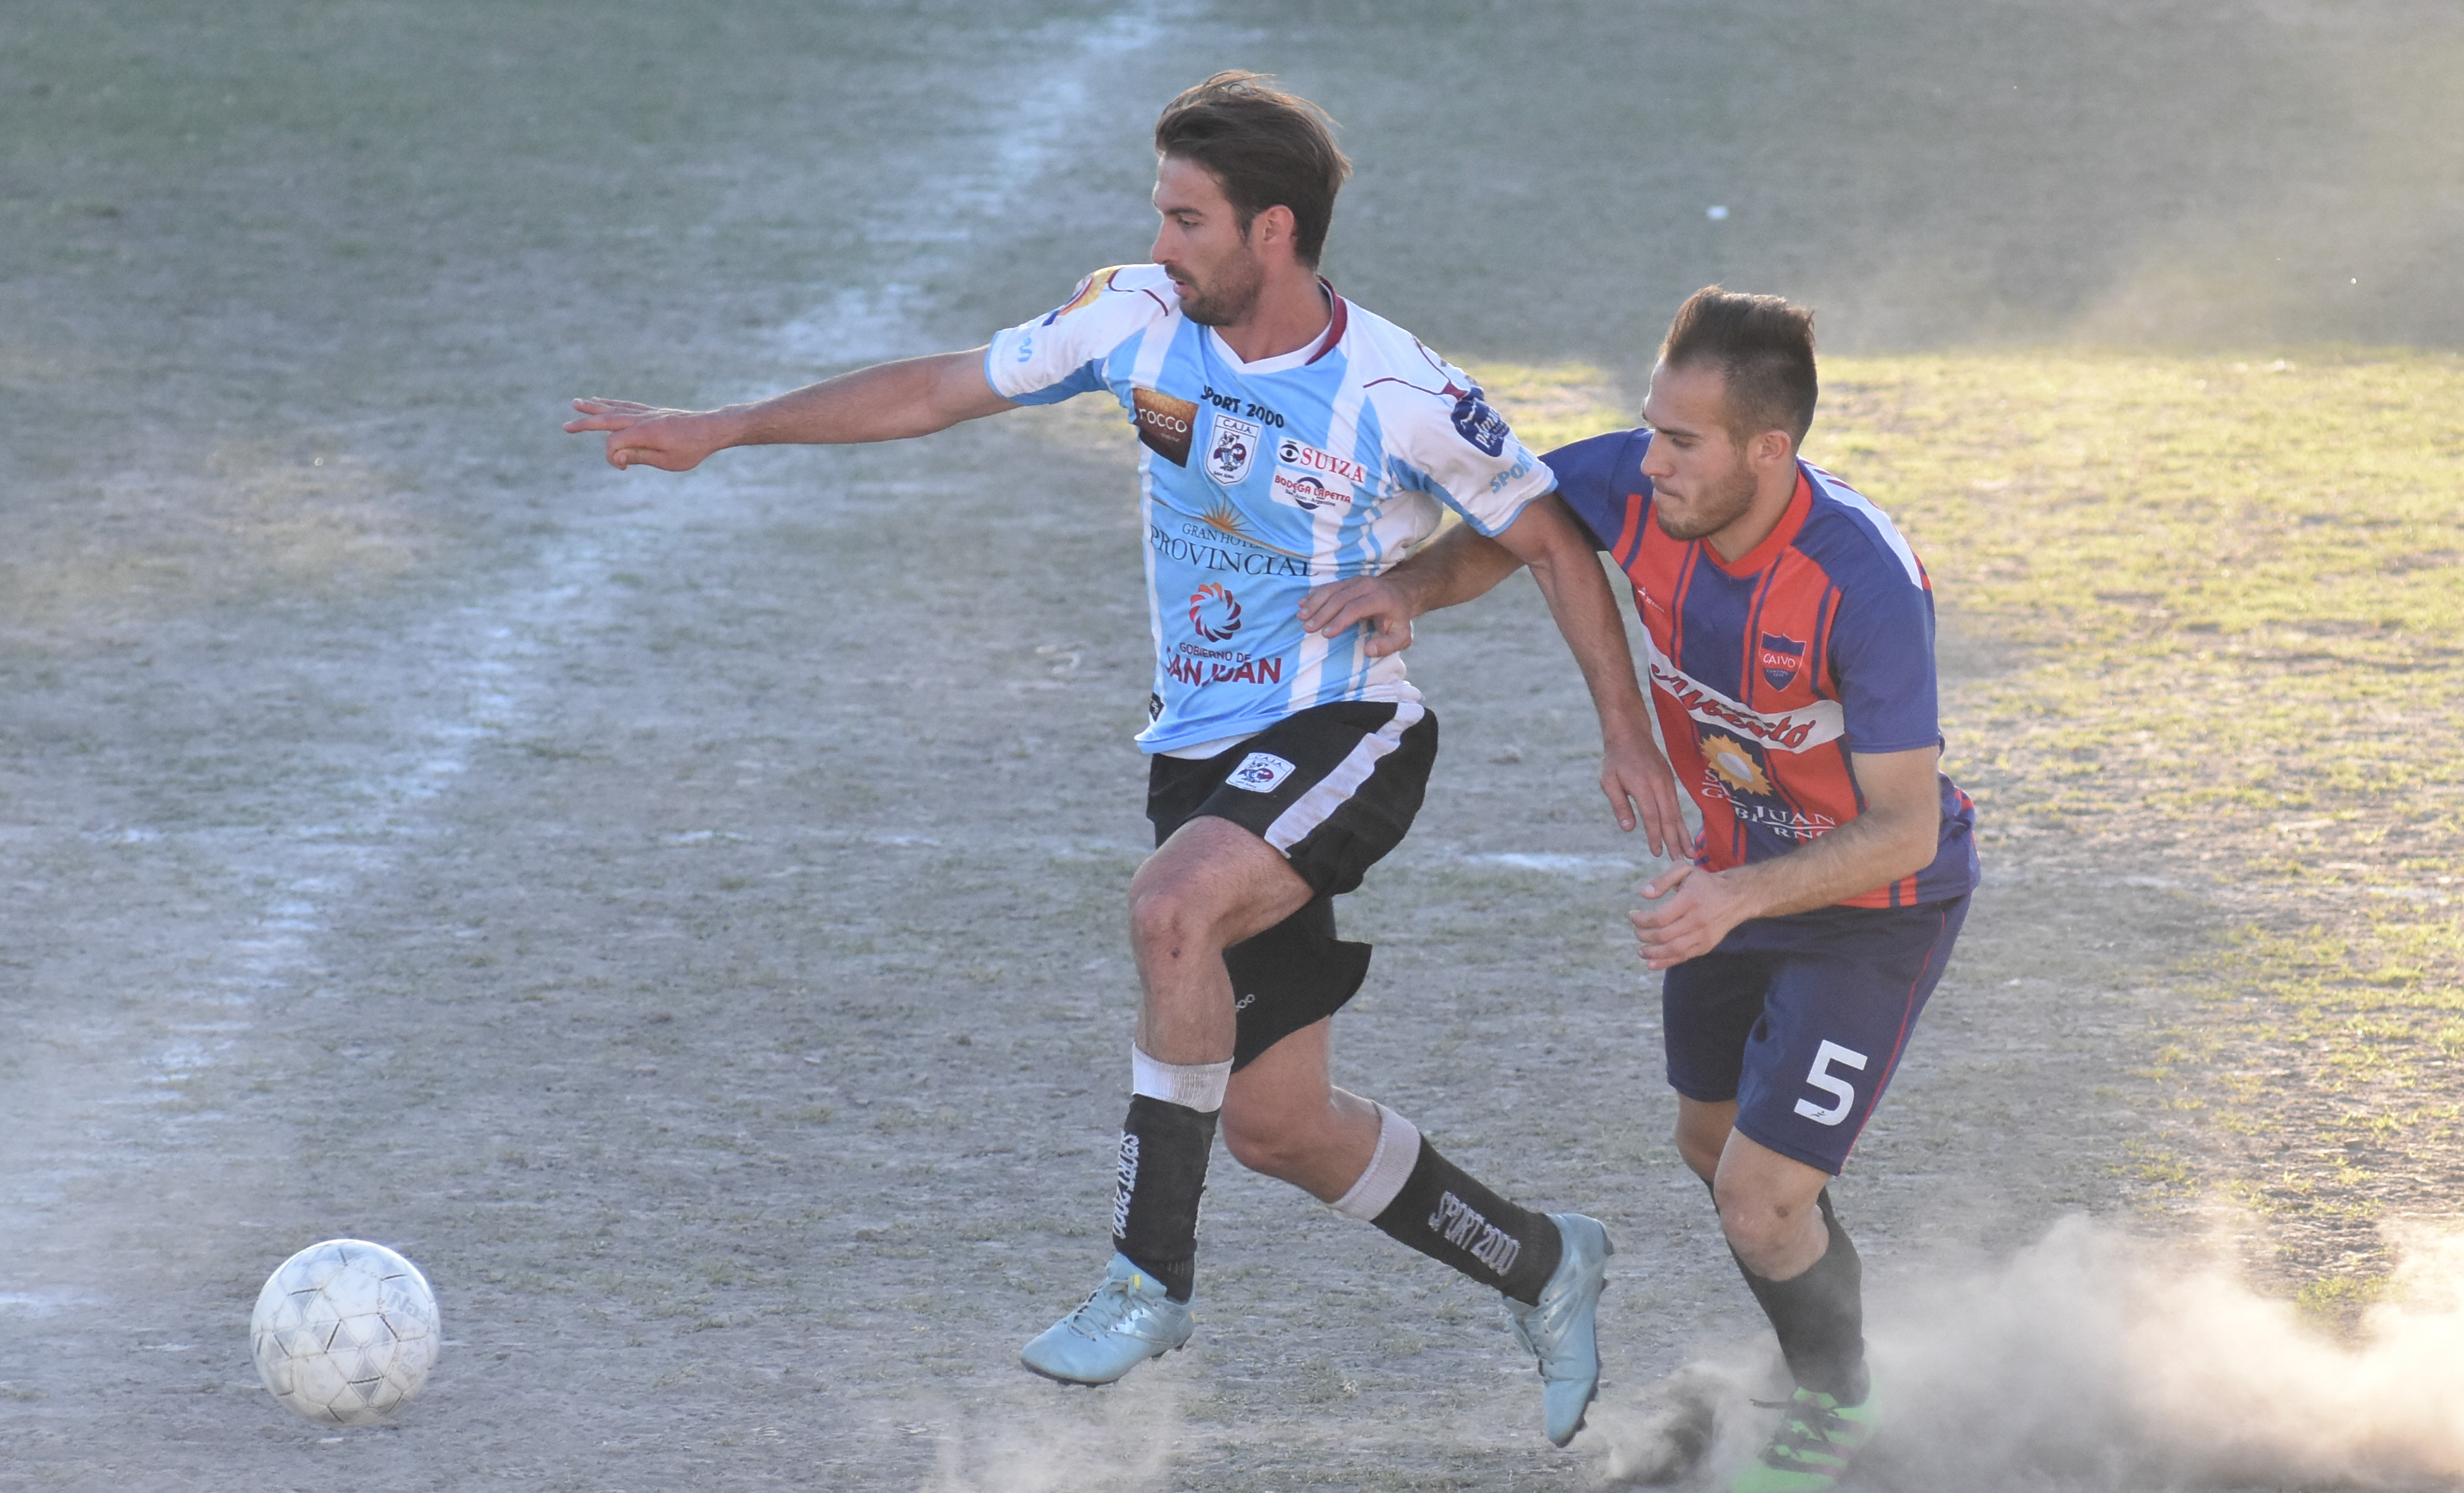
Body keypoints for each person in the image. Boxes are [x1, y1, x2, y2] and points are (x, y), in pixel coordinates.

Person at [564, 72, 1685, 1447]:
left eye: (1187, 220)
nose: (1162, 244)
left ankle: (1148, 1282)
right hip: (1200, 755)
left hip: (1347, 727)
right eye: (1161, 215)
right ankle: (1542, 1261)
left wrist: (1620, 731)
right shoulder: (1137, 318)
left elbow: (1551, 539)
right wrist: (728, 427)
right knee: (1280, 1124)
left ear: (1273, 230)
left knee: (1171, 908)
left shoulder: (1400, 388)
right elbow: (939, 390)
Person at [1309, 287, 1977, 1491]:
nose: (1649, 459)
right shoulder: (1637, 484)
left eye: (1681, 440)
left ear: (1769, 449)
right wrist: (1409, 593)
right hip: (1728, 885)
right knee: (1711, 1149)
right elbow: (1521, 524)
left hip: (1872, 910)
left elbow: (1905, 829)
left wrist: (1738, 897)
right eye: (1651, 427)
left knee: (1759, 1201)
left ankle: (1841, 1398)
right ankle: (1816, 1318)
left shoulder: (1862, 585)